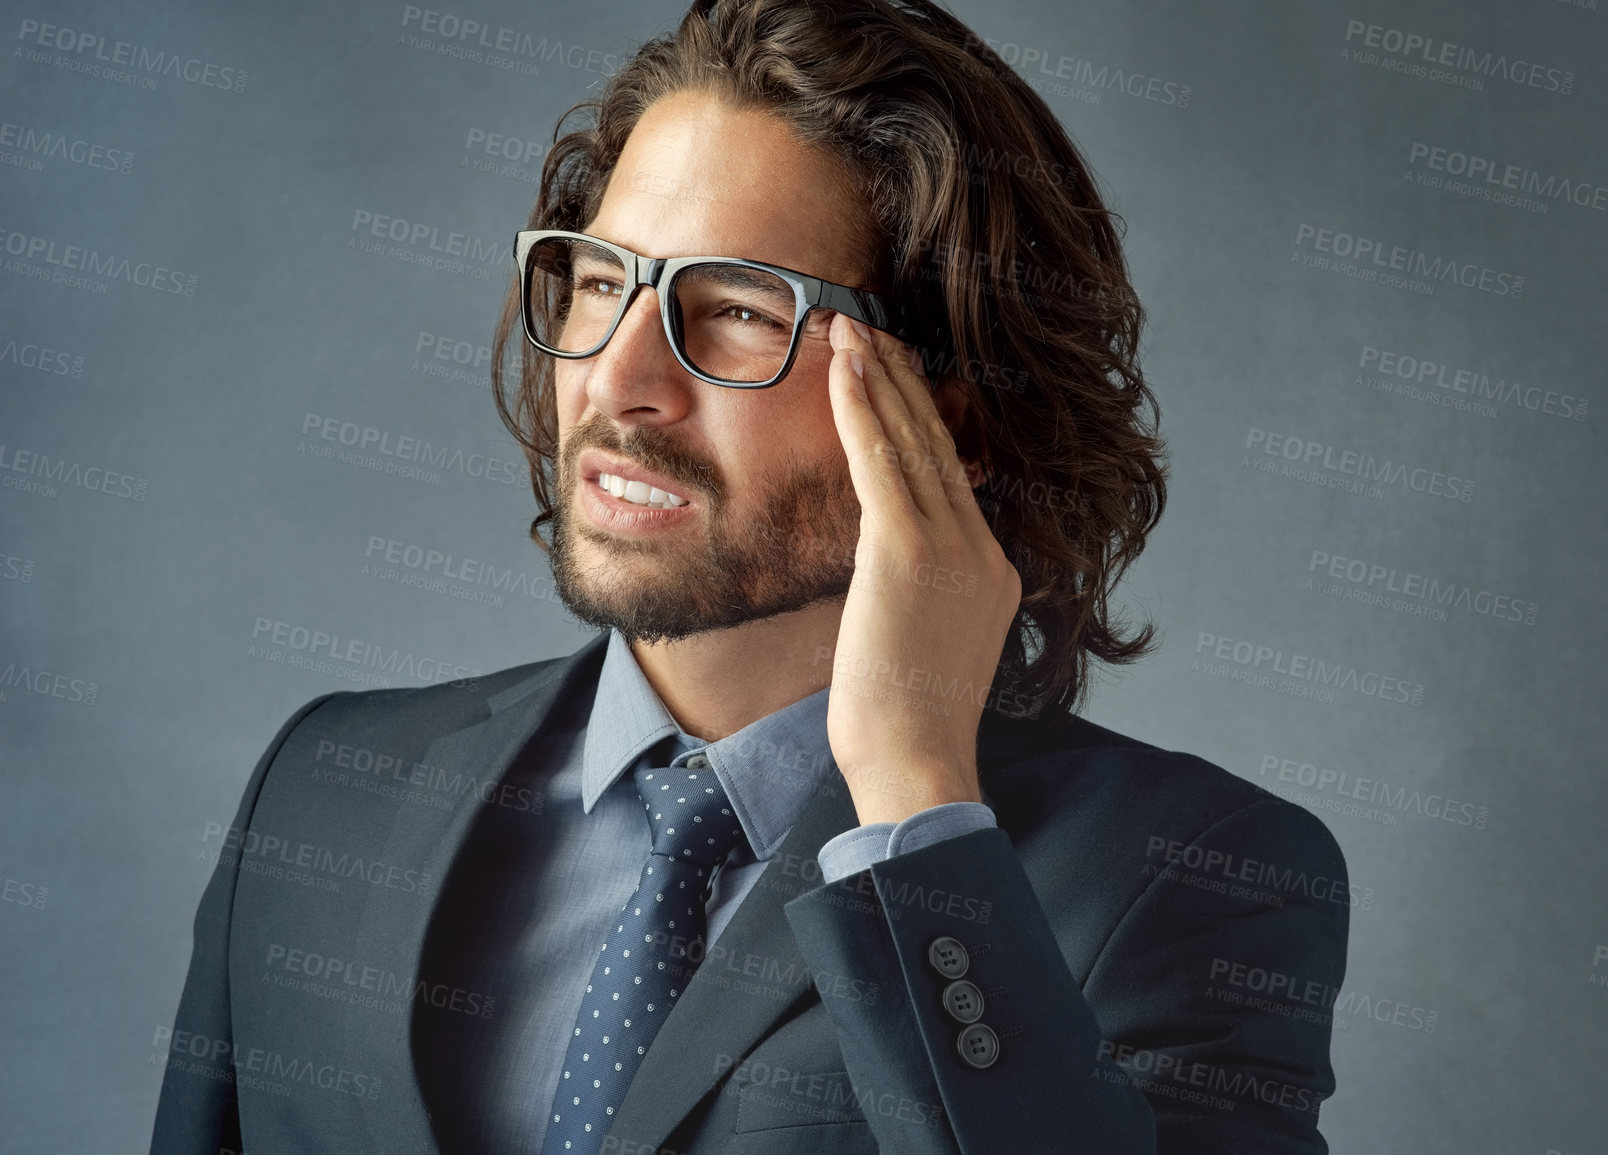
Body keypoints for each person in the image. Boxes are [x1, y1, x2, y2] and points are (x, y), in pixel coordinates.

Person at [150, 1, 1350, 1151]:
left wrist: (916, 796)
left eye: (732, 310)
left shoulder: (1195, 879)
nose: (620, 381)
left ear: (960, 425)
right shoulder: (323, 790)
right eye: (605, 280)